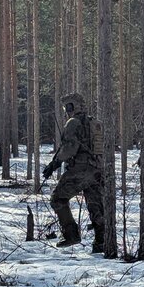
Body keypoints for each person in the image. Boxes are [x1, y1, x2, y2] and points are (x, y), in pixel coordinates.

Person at [42, 93, 104, 253]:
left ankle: (71, 234)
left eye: (67, 107)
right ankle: (101, 242)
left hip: (80, 170)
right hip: (97, 170)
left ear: (72, 107)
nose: (65, 111)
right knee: (96, 206)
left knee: (57, 198)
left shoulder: (73, 123)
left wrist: (54, 164)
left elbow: (69, 148)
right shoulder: (95, 123)